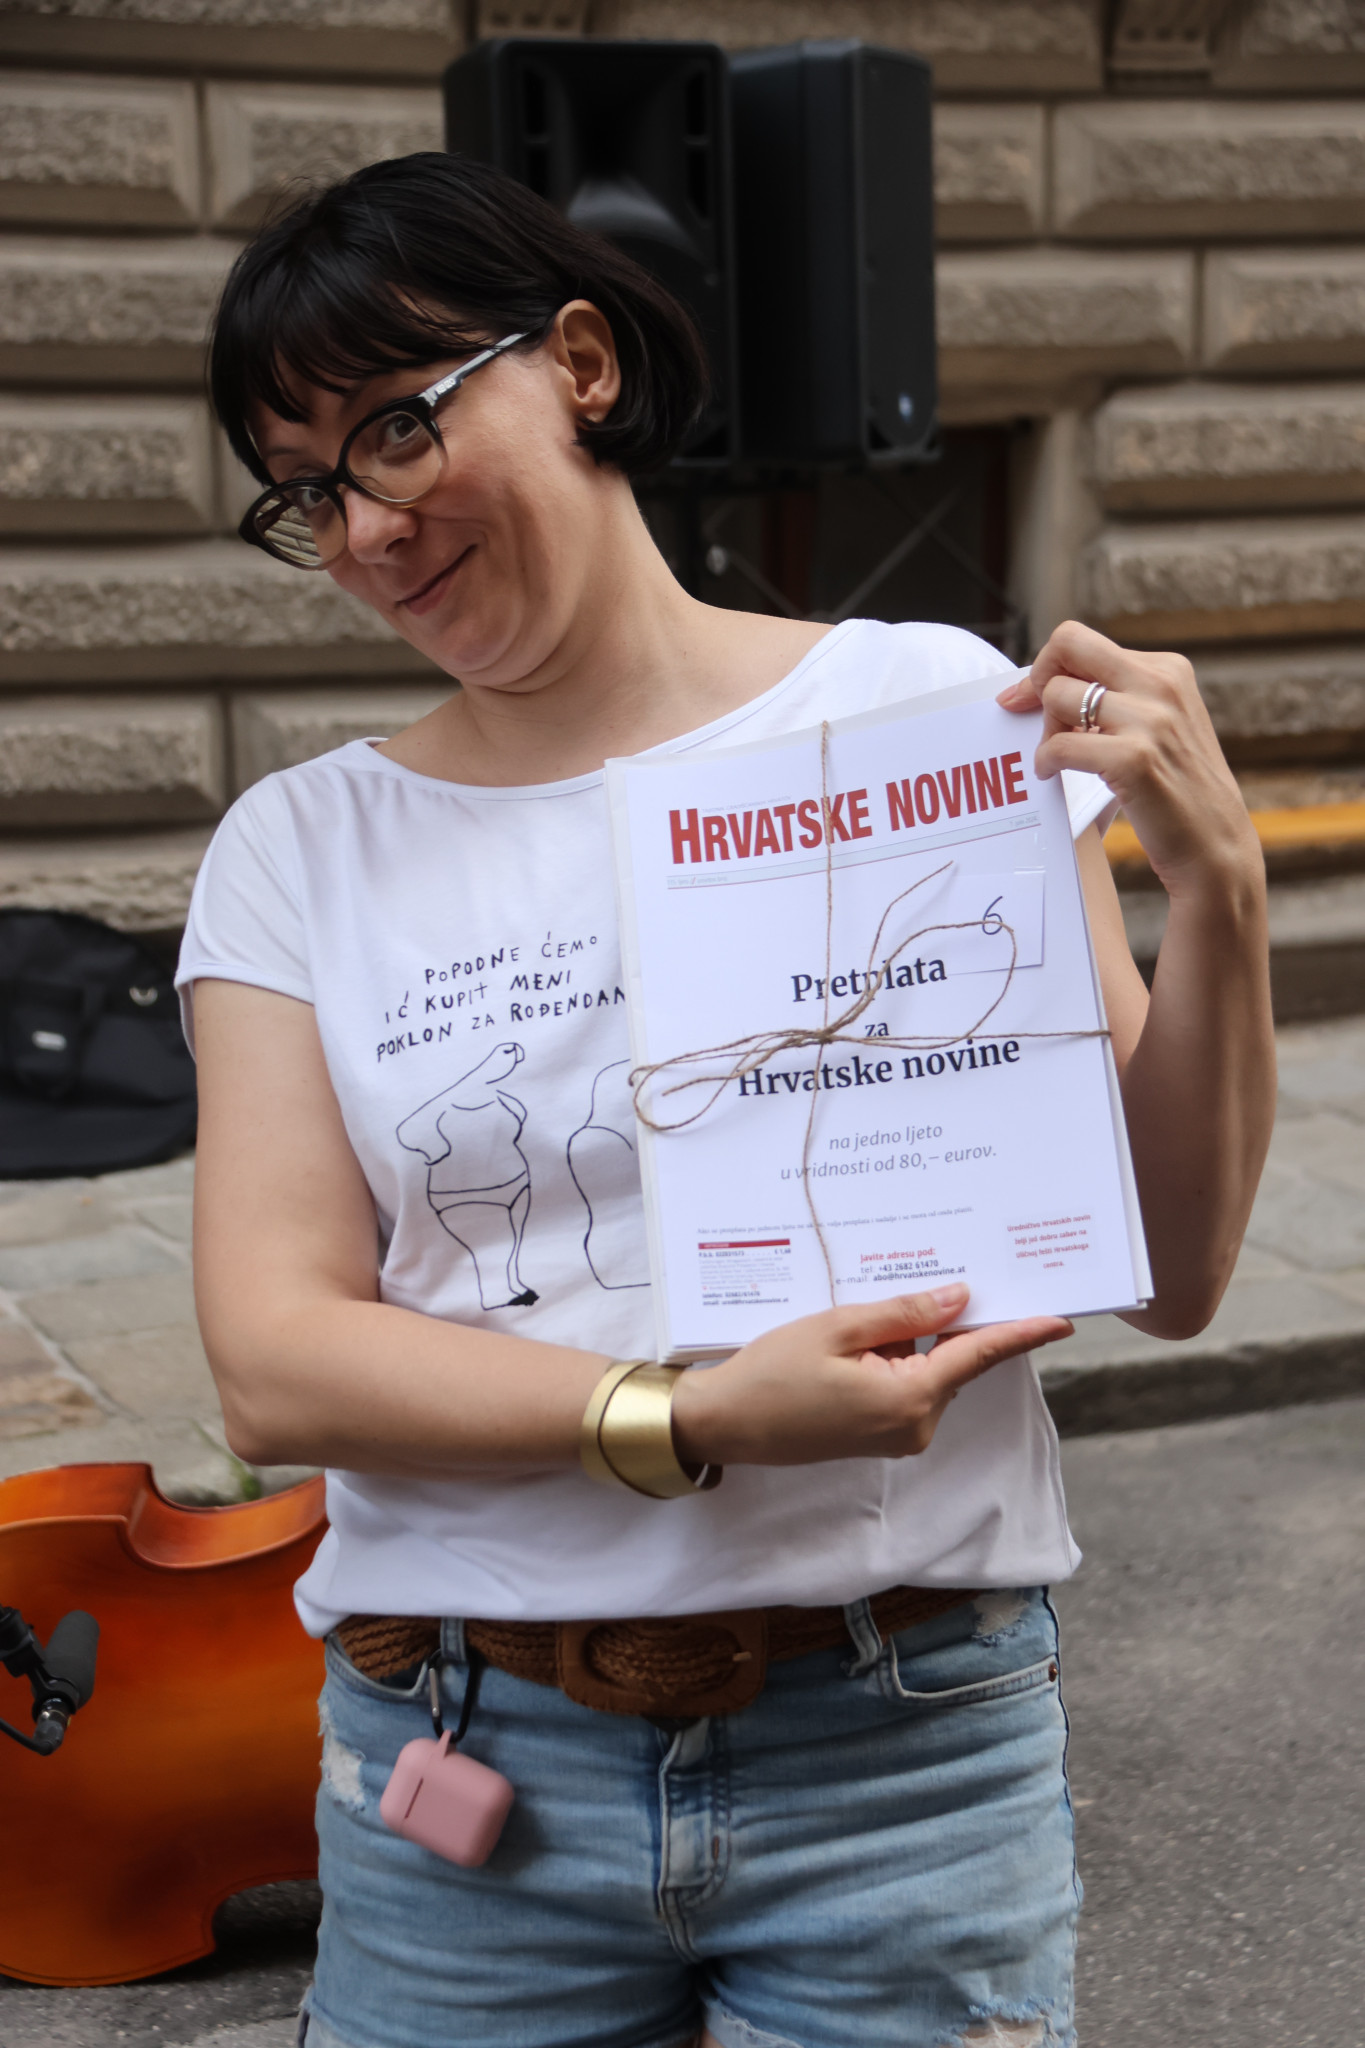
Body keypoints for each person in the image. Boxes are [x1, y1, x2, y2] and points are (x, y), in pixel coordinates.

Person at [180, 152, 1275, 2048]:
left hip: (903, 1750)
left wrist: (1224, 901)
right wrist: (683, 1416)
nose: (364, 526)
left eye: (396, 430)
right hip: (466, 1760)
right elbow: (275, 1361)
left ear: (580, 361)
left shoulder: (922, 709)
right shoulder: (302, 846)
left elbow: (1166, 1272)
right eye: (307, 490)